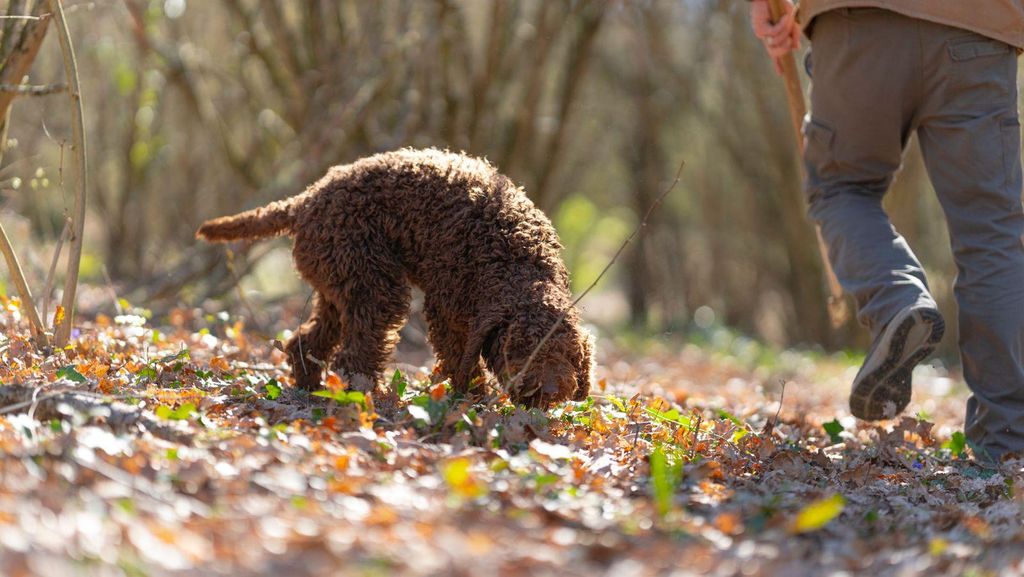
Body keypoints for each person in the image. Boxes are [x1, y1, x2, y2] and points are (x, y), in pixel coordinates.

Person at [749, 0, 1024, 464]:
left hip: (859, 22)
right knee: (991, 235)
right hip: (980, 26)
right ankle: (1007, 444)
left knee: (841, 189)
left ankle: (897, 298)